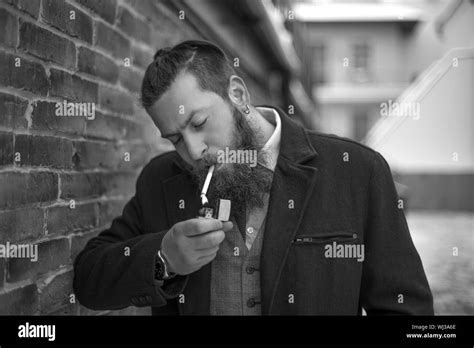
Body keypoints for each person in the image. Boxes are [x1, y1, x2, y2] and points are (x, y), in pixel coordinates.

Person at [73, 40, 433, 315]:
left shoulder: (356, 171)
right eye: (175, 138)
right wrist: (164, 258)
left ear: (237, 95)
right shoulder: (160, 180)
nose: (194, 151)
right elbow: (89, 279)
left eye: (199, 123)